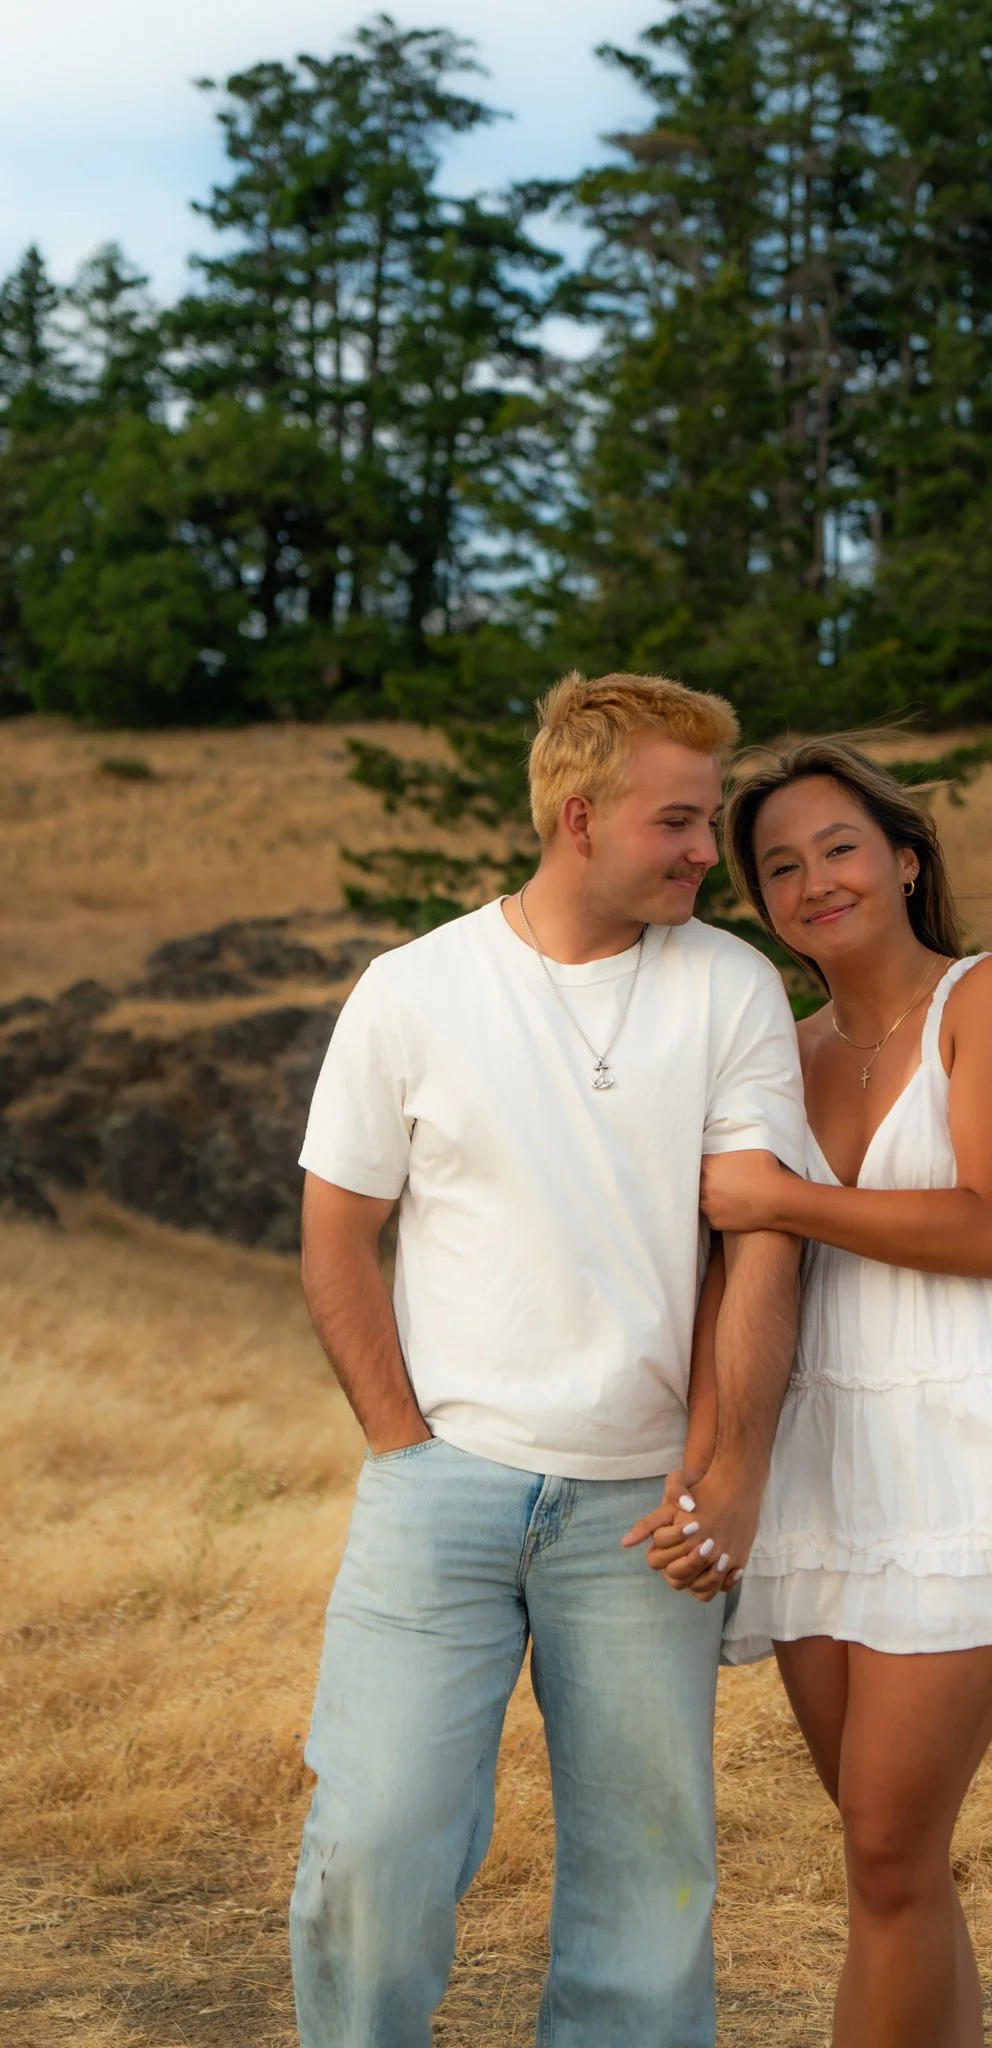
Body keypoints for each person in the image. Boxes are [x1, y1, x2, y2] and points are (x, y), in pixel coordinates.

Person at [288, 671, 806, 2048]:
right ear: (580, 816)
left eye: (710, 818)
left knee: (648, 1899)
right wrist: (404, 1444)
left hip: (648, 1505)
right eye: (681, 820)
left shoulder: (732, 988)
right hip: (440, 1491)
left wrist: (731, 1467)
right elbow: (336, 1234)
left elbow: (761, 1238)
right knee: (374, 1853)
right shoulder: (415, 990)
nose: (711, 849)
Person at [653, 735, 992, 2048]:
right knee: (887, 1862)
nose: (813, 881)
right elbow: (739, 1268)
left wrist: (782, 1194)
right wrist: (716, 1456)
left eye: (837, 848)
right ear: (762, 905)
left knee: (888, 1851)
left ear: (900, 857)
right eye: (778, 867)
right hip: (819, 1453)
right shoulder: (784, 1050)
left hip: (957, 1442)